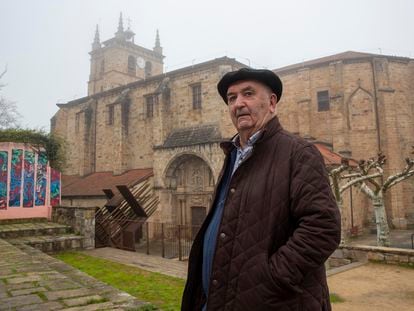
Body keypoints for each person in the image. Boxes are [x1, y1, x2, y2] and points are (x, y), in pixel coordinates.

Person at [181, 68, 341, 310]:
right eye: (232, 98)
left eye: (248, 94)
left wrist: (269, 279)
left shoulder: (298, 153)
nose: (239, 104)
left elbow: (323, 227)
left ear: (272, 102)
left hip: (272, 302)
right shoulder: (233, 155)